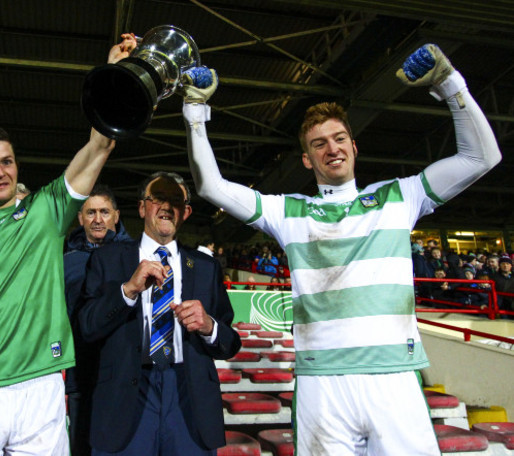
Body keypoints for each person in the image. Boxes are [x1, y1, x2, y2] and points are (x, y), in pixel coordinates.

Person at [182, 43, 500, 454]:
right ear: (306, 159)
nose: (332, 148)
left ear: (353, 146)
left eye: (339, 138)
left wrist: (448, 82)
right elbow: (211, 186)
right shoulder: (287, 211)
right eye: (319, 144)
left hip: (394, 379)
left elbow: (481, 157)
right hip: (322, 382)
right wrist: (194, 112)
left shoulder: (400, 196)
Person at [0, 34, 137, 456]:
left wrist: (116, 72)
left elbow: (100, 144)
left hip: (40, 389)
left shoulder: (45, 211)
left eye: (7, 161)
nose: (0, 171)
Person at [78, 171, 241, 455]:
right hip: (125, 395)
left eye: (175, 200)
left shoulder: (206, 267)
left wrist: (209, 326)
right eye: (158, 198)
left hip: (188, 398)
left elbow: (230, 342)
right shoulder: (106, 259)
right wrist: (128, 290)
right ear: (142, 207)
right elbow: (87, 327)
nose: (166, 206)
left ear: (186, 212)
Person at [63, 184, 131, 456]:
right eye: (90, 212)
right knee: (80, 443)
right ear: (80, 218)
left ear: (116, 215)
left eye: (104, 211)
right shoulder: (65, 260)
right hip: (80, 370)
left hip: (123, 371)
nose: (98, 219)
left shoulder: (135, 256)